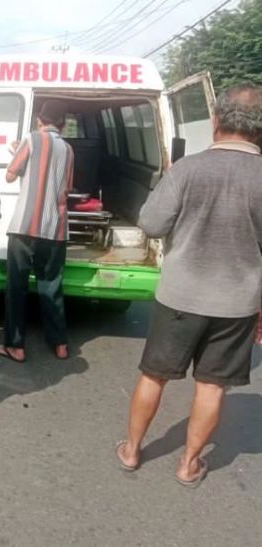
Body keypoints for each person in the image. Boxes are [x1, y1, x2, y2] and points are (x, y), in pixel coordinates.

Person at [116, 83, 262, 487]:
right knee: (213, 386)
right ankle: (189, 464)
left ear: (216, 121)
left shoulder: (187, 170)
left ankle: (131, 450)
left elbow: (152, 223)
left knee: (154, 375)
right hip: (237, 304)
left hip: (180, 296)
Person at [0, 100, 74, 363]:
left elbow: (9, 176)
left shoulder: (30, 139)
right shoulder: (69, 150)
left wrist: (18, 152)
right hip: (55, 229)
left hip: (25, 226)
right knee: (51, 286)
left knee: (16, 286)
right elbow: (67, 189)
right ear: (62, 124)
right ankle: (60, 344)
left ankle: (15, 346)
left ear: (40, 120)